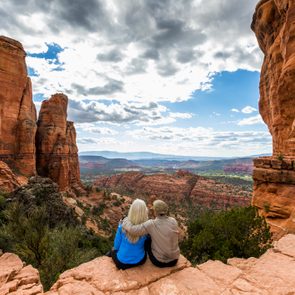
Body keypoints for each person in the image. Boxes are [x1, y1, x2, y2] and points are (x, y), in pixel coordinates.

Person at [123, 199, 180, 268]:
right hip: (174, 260)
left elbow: (133, 230)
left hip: (159, 262)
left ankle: (140, 255)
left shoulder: (151, 224)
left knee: (147, 239)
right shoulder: (173, 221)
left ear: (155, 211)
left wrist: (126, 220)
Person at [110, 198, 148, 270]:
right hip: (140, 261)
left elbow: (116, 246)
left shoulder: (122, 226)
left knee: (112, 251)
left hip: (122, 263)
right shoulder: (147, 229)